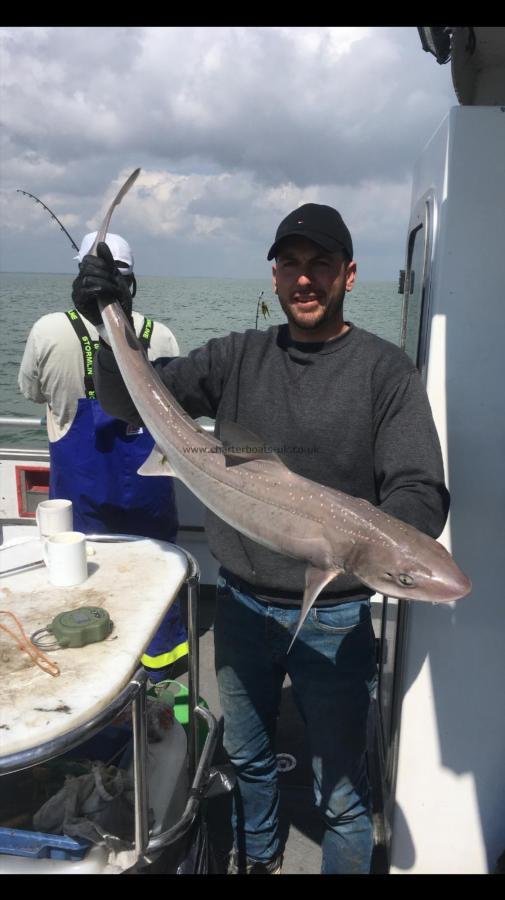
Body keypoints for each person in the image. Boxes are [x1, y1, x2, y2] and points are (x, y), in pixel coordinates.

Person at [71, 205, 450, 874]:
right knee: (246, 759)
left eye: (321, 265)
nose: (304, 280)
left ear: (349, 276)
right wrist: (109, 323)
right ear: (274, 276)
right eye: (291, 266)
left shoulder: (384, 373)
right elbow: (135, 402)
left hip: (333, 617)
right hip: (242, 608)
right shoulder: (237, 356)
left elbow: (418, 487)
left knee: (342, 793)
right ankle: (259, 859)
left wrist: (383, 541)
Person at [18, 232, 188, 682]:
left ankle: (94, 681)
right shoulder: (161, 335)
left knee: (82, 587)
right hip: (149, 491)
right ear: (132, 282)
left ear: (82, 275)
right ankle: (164, 684)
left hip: (78, 496)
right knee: (156, 584)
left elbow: (31, 391)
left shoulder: (49, 331)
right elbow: (177, 410)